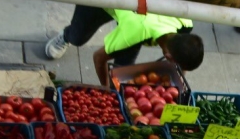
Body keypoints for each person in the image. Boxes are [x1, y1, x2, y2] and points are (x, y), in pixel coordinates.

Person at [45, 6, 204, 86]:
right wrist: (107, 89)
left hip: (138, 13)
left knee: (123, 66)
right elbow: (98, 58)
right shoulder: (135, 34)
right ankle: (66, 36)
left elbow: (180, 66)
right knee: (78, 37)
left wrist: (178, 82)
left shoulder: (185, 25)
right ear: (168, 57)